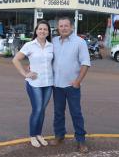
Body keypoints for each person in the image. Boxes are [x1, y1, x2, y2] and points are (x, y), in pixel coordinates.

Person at [50, 17, 91, 153]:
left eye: (66, 26)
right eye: (61, 26)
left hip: (72, 86)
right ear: (58, 28)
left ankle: (81, 140)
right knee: (58, 113)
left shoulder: (80, 42)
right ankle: (59, 135)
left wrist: (78, 81)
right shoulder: (54, 41)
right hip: (56, 85)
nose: (63, 28)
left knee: (76, 113)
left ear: (71, 27)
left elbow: (85, 63)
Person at [12, 20, 53, 148]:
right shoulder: (30, 45)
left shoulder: (51, 46)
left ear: (48, 32)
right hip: (34, 83)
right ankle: (32, 135)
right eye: (40, 29)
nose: (42, 31)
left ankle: (39, 134)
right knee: (38, 109)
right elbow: (16, 59)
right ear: (36, 31)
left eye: (45, 29)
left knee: (42, 110)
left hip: (48, 83)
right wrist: (25, 73)